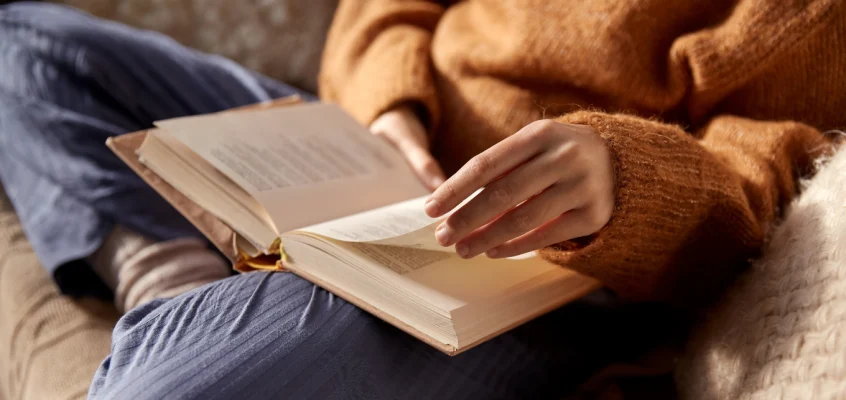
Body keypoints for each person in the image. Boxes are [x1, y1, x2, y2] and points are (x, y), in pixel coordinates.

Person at [0, 0, 841, 398]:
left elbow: (767, 180)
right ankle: (184, 285)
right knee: (24, 44)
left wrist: (623, 177)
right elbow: (385, 10)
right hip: (368, 151)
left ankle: (199, 297)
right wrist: (392, 107)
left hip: (524, 268)